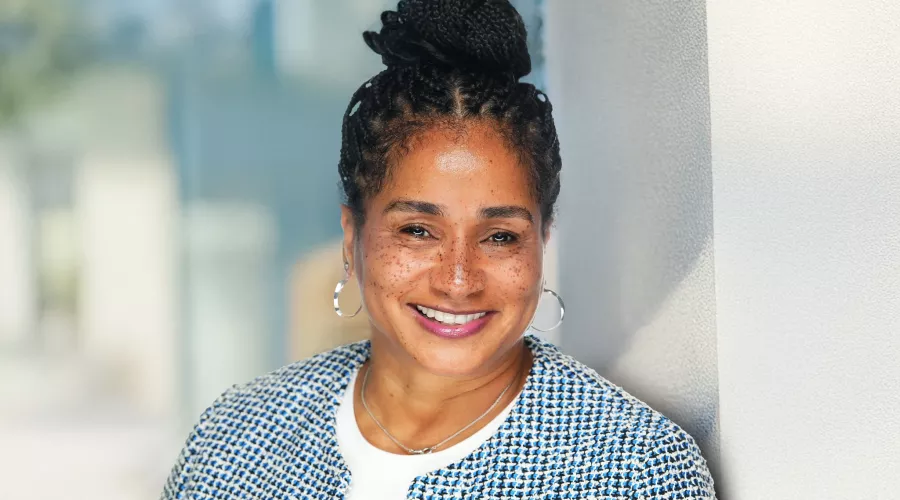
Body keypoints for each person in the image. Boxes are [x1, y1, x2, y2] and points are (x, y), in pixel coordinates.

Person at [161, 0, 715, 498]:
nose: (458, 279)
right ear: (352, 238)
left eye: (500, 237)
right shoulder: (234, 441)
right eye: (418, 231)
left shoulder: (634, 470)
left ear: (542, 242)